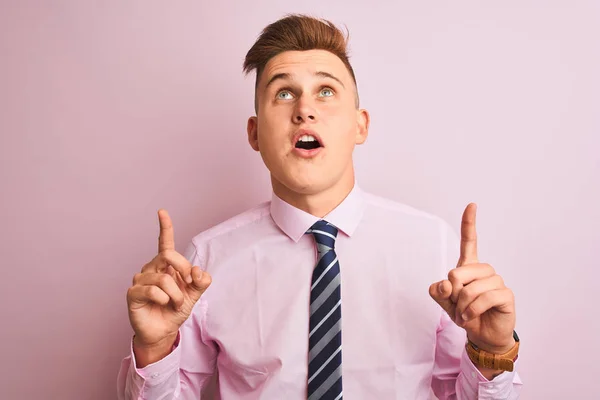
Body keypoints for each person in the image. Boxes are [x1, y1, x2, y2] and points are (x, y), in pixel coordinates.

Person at [117, 14, 523, 400]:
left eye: (325, 91)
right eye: (284, 93)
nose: (304, 110)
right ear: (255, 133)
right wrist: (154, 349)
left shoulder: (431, 244)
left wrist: (492, 352)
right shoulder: (206, 261)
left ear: (360, 124)